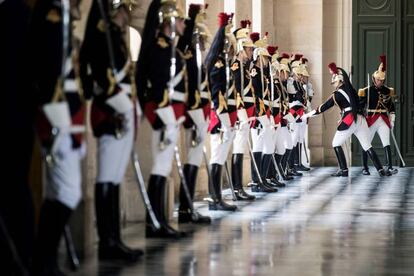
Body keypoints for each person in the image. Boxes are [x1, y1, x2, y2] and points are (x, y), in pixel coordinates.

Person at [80, 0, 143, 260]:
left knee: (115, 176)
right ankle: (106, 241)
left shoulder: (115, 36)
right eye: (124, 10)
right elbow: (96, 73)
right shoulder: (100, 34)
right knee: (106, 176)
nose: (128, 15)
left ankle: (114, 238)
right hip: (109, 111)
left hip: (123, 108)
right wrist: (121, 104)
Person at [31, 0, 87, 274]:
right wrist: (60, 125)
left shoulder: (60, 23)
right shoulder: (53, 23)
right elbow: (50, 78)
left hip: (66, 119)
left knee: (57, 193)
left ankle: (45, 260)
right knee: (68, 193)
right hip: (57, 119)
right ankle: (44, 260)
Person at [137, 0, 189, 237]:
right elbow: (157, 89)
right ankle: (154, 222)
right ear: (168, 22)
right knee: (159, 169)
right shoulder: (159, 48)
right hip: (164, 115)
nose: (182, 24)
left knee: (163, 169)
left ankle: (159, 221)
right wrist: (163, 118)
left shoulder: (171, 48)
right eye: (179, 20)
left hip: (172, 116)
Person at [302, 62, 392, 177]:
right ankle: (380, 170)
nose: (333, 85)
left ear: (339, 81)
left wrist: (307, 115)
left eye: (334, 82)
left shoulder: (337, 94)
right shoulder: (351, 89)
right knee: (367, 145)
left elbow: (322, 108)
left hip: (350, 120)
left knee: (335, 143)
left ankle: (344, 170)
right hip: (361, 119)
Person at [176, 3, 212, 223]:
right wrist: (192, 17)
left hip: (200, 112)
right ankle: (184, 209)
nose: (202, 41)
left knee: (194, 160)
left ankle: (187, 208)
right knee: (190, 160)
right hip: (192, 112)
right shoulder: (187, 53)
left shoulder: (198, 57)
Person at [205, 12, 239, 210]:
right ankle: (213, 198)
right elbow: (217, 96)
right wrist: (225, 121)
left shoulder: (222, 63)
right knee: (217, 158)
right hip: (219, 119)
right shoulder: (218, 64)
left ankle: (216, 198)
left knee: (219, 157)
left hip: (223, 118)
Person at [248, 32, 278, 193]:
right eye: (265, 58)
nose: (267, 61)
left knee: (268, 146)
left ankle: (263, 178)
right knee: (259, 147)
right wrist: (261, 115)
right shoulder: (254, 73)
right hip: (258, 115)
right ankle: (256, 181)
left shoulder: (263, 74)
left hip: (265, 113)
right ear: (259, 58)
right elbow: (255, 96)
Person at [359, 55, 398, 175]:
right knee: (366, 143)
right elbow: (361, 106)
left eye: (382, 80)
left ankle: (389, 166)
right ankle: (365, 167)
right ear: (374, 79)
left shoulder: (388, 91)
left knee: (386, 142)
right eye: (378, 80)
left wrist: (392, 119)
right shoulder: (366, 91)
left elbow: (391, 107)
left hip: (383, 120)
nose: (380, 82)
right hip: (371, 119)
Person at [230, 19, 256, 200]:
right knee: (238, 149)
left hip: (246, 112)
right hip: (241, 112)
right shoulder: (236, 66)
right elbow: (236, 91)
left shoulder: (245, 68)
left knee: (240, 149)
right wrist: (240, 114)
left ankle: (238, 187)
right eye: (249, 49)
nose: (252, 51)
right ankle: (236, 187)